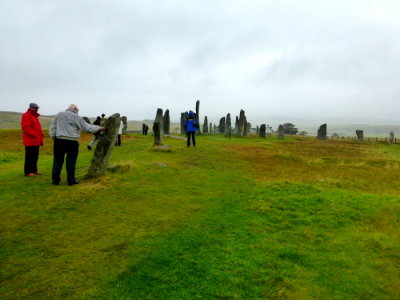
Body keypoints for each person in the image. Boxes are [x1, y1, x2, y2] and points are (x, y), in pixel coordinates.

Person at [49, 104, 104, 186]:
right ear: (74, 109)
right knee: (71, 161)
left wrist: (54, 137)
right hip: (72, 141)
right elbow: (87, 128)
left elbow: (53, 127)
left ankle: (55, 180)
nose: (78, 112)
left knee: (57, 161)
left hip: (59, 140)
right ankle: (71, 180)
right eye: (77, 111)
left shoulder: (59, 114)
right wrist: (99, 128)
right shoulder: (76, 117)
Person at [21, 102, 44, 176]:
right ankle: (28, 172)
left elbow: (37, 128)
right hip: (30, 141)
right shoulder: (26, 115)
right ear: (30, 107)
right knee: (29, 157)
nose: (36, 109)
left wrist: (40, 134)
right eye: (35, 108)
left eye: (37, 108)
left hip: (36, 140)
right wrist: (35, 135)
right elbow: (26, 128)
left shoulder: (34, 117)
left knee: (35, 156)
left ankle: (34, 170)